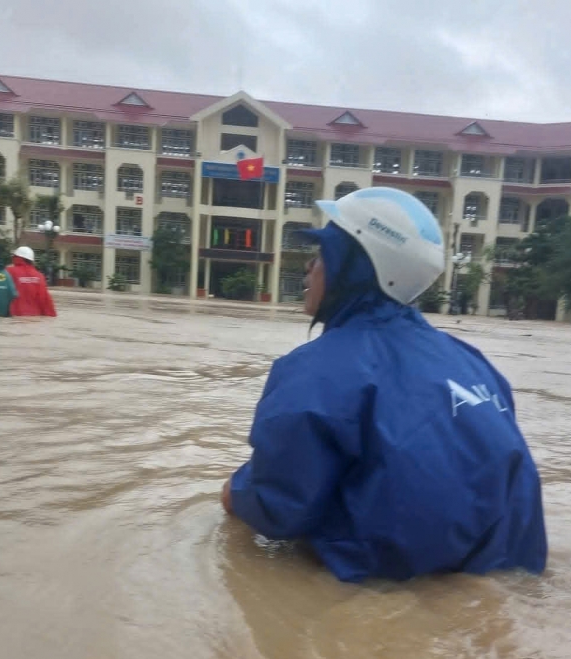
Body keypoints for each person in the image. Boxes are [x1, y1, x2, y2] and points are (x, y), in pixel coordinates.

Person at [221, 187, 547, 583]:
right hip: (506, 582)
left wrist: (235, 494)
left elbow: (278, 507)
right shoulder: (474, 363)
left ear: (353, 267)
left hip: (381, 590)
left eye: (322, 254)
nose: (309, 267)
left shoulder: (315, 370)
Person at [6, 246, 57, 317]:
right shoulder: (39, 276)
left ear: (17, 258)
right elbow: (45, 300)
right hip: (36, 319)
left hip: (15, 316)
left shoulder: (9, 271)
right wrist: (52, 315)